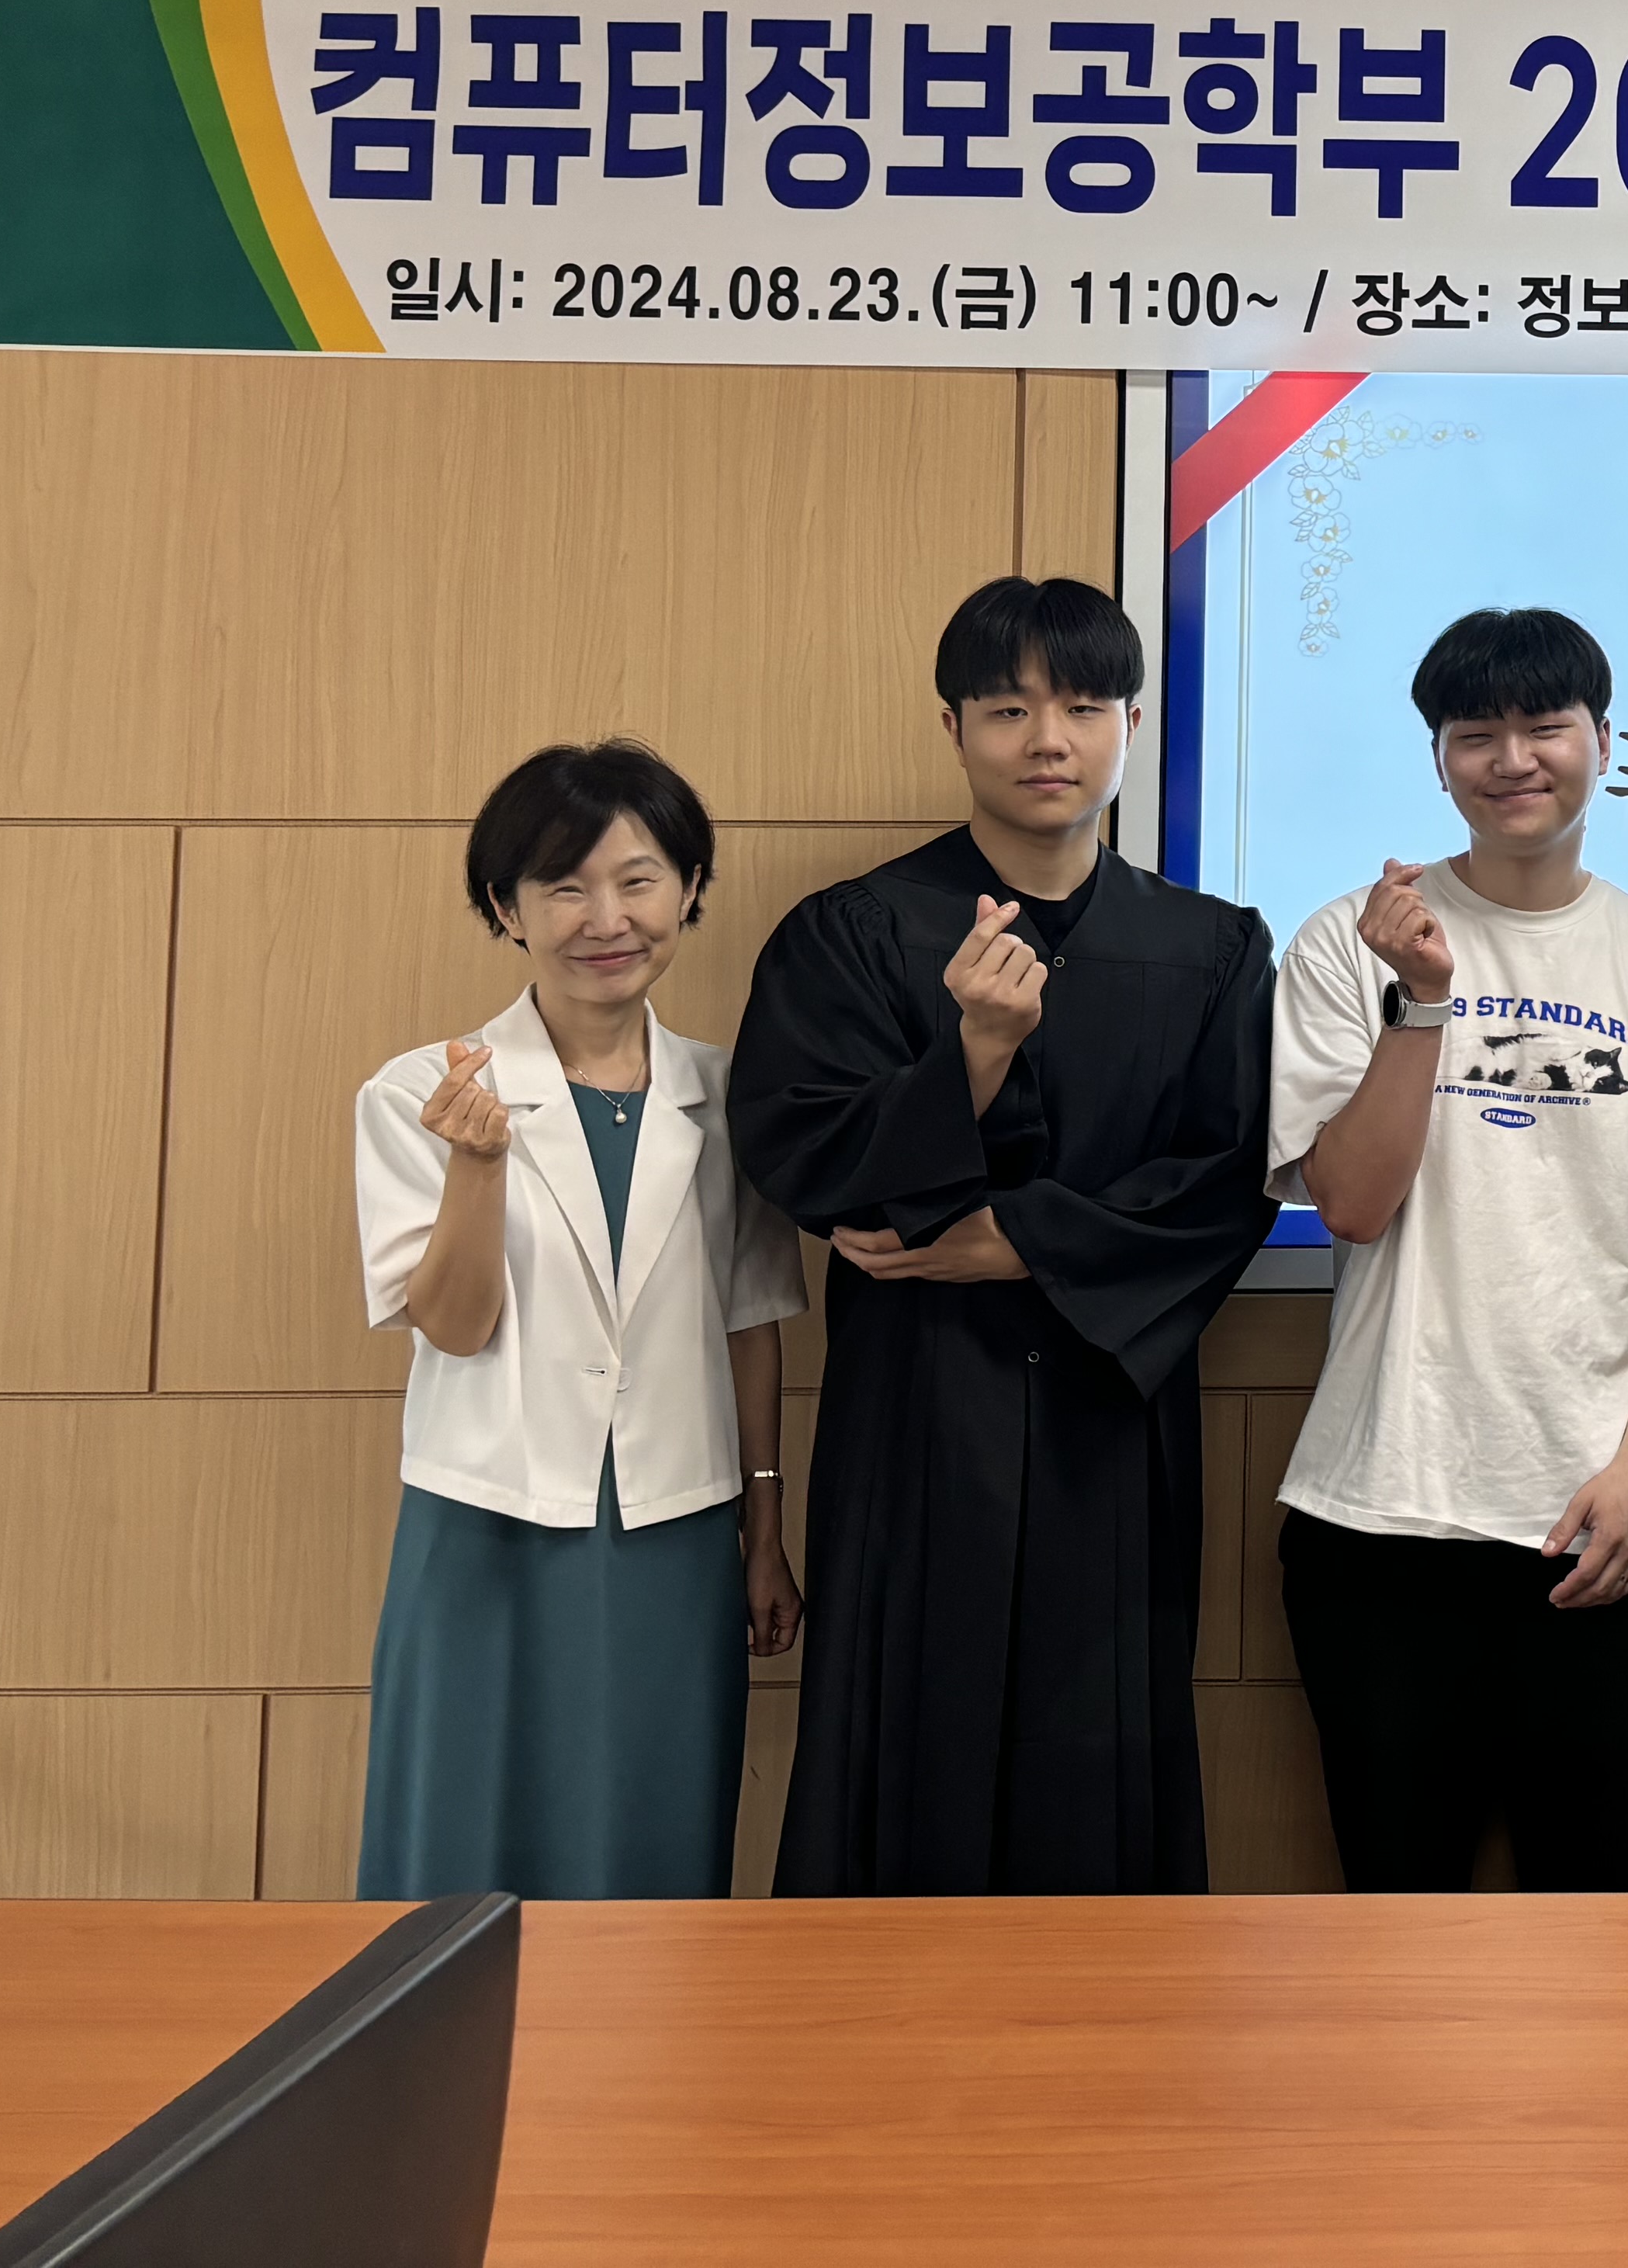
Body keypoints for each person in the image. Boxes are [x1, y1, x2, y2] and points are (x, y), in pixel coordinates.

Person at [728, 576, 1275, 1895]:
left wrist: (1022, 1242)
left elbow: (1229, 1176)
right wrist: (971, 1054)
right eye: (1009, 709)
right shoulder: (857, 931)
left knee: (1101, 1739)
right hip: (919, 1410)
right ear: (954, 728)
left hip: (1110, 1413)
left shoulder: (1210, 948)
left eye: (1083, 707)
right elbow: (801, 1154)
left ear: (1132, 724)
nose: (1048, 740)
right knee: (906, 1723)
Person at [1267, 606, 1628, 1891]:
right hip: (1381, 1507)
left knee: (1585, 1911)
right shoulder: (1347, 942)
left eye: (1545, 727)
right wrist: (1423, 1004)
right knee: (1394, 1904)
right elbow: (1351, 1205)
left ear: (1605, 741)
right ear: (1439, 761)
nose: (1514, 759)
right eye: (1476, 734)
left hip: (1598, 1523)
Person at [354, 740, 804, 1899]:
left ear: (689, 890)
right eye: (564, 887)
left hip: (677, 1530)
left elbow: (751, 1324)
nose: (607, 919)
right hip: (486, 1522)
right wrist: (477, 1167)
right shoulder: (420, 1092)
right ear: (507, 909)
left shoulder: (732, 1096)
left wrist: (764, 1530)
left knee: (653, 1836)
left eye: (639, 880)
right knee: (461, 1834)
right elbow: (454, 1327)